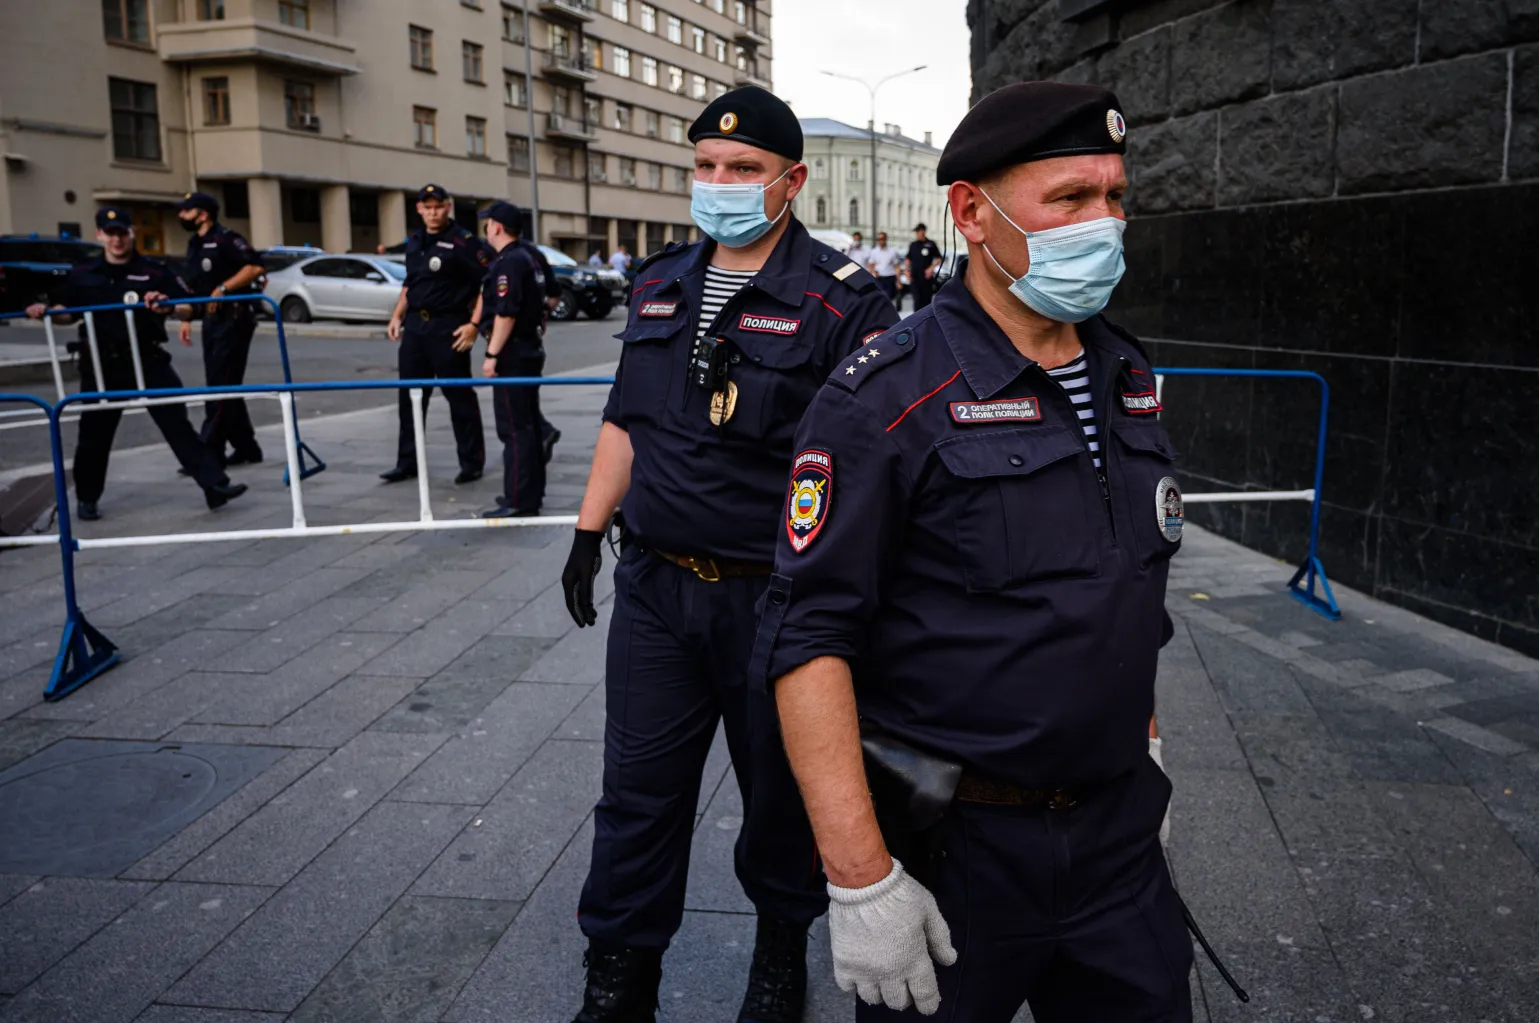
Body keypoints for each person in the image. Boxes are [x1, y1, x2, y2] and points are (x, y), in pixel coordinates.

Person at [755, 81, 1190, 1021]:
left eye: (1115, 196)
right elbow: (807, 638)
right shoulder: (883, 395)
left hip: (1117, 836)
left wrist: (1146, 743)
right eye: (1069, 198)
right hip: (954, 851)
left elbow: (1125, 581)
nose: (1104, 223)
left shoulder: (1125, 370)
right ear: (971, 213)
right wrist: (860, 879)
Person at [558, 85, 898, 1023]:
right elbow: (626, 417)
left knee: (782, 799)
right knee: (636, 798)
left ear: (791, 180)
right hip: (657, 589)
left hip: (776, 603)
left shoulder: (843, 300)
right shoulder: (659, 281)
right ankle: (618, 983)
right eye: (706, 166)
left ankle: (778, 963)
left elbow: (869, 464)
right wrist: (587, 531)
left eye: (743, 168)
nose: (720, 182)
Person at [26, 206, 247, 520]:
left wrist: (168, 307)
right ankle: (87, 498)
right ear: (100, 235)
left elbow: (188, 307)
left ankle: (215, 486)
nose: (117, 240)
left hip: (147, 358)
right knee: (94, 434)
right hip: (102, 364)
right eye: (110, 234)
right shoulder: (84, 274)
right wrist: (45, 312)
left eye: (122, 233)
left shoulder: (154, 272)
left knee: (177, 424)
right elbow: (66, 312)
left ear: (131, 234)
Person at [380, 184, 487, 485]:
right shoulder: (415, 241)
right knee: (411, 396)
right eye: (427, 208)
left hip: (449, 327)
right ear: (419, 210)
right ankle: (407, 462)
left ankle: (471, 462)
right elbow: (411, 283)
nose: (433, 213)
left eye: (438, 207)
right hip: (416, 327)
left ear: (448, 207)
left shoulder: (463, 241)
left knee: (459, 396)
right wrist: (397, 315)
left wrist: (474, 325)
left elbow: (488, 282)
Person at [175, 192, 266, 468]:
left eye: (186, 211)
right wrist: (187, 318)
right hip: (211, 320)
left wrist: (224, 288)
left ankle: (209, 452)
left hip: (234, 319)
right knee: (225, 383)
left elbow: (255, 267)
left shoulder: (227, 239)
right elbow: (195, 285)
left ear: (203, 214)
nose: (181, 216)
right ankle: (246, 446)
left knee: (220, 385)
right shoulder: (195, 244)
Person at [471, 202, 549, 518]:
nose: (486, 229)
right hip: (528, 348)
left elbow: (506, 313)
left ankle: (517, 499)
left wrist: (491, 355)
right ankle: (529, 495)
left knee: (515, 429)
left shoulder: (509, 262)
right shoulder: (528, 257)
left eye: (488, 224)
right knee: (527, 426)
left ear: (497, 227)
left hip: (513, 352)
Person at [904, 223, 941, 311]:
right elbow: (908, 258)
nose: (917, 233)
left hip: (926, 277)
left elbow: (939, 258)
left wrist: (931, 268)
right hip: (915, 277)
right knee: (917, 300)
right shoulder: (913, 245)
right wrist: (906, 270)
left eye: (918, 231)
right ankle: (916, 318)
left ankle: (926, 318)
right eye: (916, 231)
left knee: (926, 301)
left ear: (923, 231)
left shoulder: (931, 244)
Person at [865, 231, 901, 309]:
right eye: (878, 239)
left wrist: (898, 281)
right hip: (879, 278)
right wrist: (873, 272)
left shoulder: (892, 251)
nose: (880, 241)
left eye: (882, 239)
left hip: (890, 278)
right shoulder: (874, 251)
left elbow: (897, 266)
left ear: (885, 239)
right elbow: (870, 265)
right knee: (879, 298)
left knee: (888, 298)